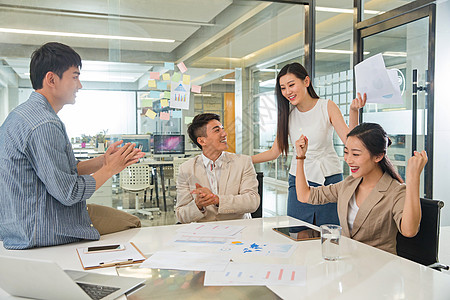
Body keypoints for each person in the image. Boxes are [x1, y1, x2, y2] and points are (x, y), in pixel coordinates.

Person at [0, 42, 145, 250]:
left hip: (22, 222)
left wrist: (103, 160)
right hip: (43, 228)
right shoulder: (44, 124)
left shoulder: (23, 115)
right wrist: (110, 169)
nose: (80, 86)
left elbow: (64, 170)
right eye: (75, 77)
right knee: (132, 223)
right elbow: (69, 193)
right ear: (51, 79)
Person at [252, 62, 366, 228]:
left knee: (329, 233)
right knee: (297, 232)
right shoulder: (287, 115)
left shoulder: (326, 106)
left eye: (291, 85)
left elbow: (351, 142)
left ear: (306, 81)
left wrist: (354, 111)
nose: (287, 92)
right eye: (283, 88)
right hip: (299, 181)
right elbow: (274, 152)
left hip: (330, 180)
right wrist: (243, 160)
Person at [295, 123, 427, 254]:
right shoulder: (349, 184)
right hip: (348, 264)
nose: (348, 159)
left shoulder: (395, 191)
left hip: (379, 268)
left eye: (356, 154)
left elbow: (409, 231)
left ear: (378, 156)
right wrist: (300, 157)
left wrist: (413, 178)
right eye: (346, 152)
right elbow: (305, 195)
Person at [176, 113, 260, 223]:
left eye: (223, 129)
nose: (224, 134)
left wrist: (217, 200)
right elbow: (181, 215)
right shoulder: (186, 169)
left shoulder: (243, 162)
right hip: (203, 233)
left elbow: (252, 202)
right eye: (217, 130)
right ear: (202, 141)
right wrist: (198, 205)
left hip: (238, 229)